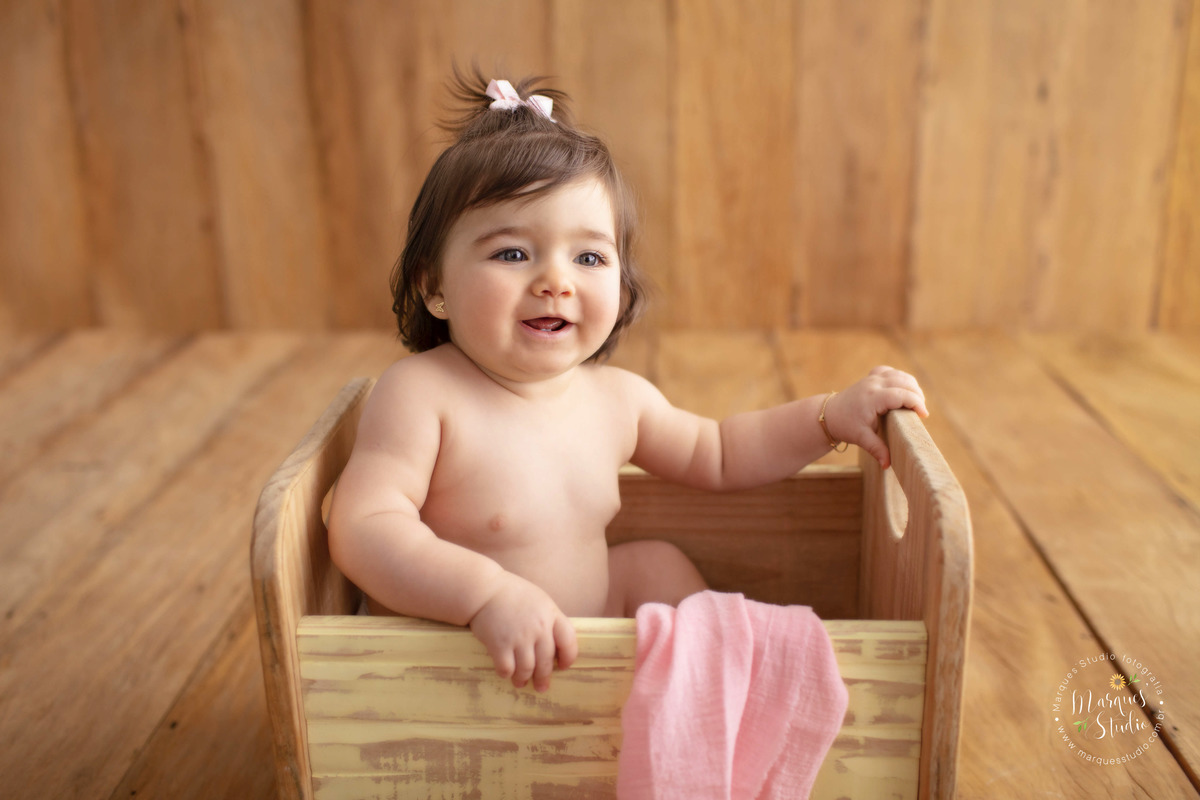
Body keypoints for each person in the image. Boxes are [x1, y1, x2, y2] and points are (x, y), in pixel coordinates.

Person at [327, 68, 928, 694]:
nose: (555, 282)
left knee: (656, 566)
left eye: (588, 257)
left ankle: (719, 696)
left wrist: (829, 417)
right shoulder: (422, 394)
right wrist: (486, 595)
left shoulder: (616, 400)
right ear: (435, 287)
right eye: (512, 253)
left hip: (583, 636)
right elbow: (365, 525)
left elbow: (723, 452)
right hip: (462, 658)